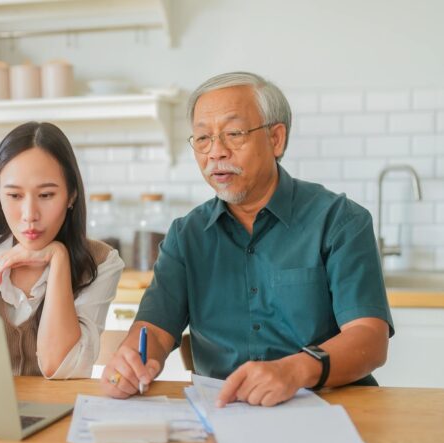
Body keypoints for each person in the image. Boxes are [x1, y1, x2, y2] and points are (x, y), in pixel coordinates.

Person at [101, 72, 393, 406]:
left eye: (234, 134)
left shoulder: (340, 220)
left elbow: (369, 337)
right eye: (202, 138)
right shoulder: (186, 236)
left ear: (276, 138)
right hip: (227, 414)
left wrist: (295, 370)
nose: (216, 152)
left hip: (335, 410)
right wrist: (129, 360)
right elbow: (153, 329)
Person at [0, 121, 125, 379]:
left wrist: (58, 257)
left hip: (65, 415)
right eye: (14, 196)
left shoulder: (101, 262)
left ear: (71, 196)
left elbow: (60, 367)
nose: (29, 215)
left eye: (46, 195)